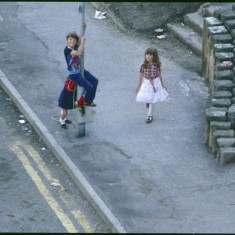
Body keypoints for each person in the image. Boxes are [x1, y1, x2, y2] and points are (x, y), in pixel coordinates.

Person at [58, 31, 99, 129]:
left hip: (80, 71)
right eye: (70, 40)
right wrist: (83, 42)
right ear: (66, 41)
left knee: (95, 81)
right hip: (74, 75)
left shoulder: (75, 46)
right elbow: (79, 52)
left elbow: (81, 37)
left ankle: (88, 100)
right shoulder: (67, 50)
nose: (72, 41)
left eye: (74, 40)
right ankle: (80, 103)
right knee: (89, 86)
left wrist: (84, 26)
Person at [136, 47, 168, 123]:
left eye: (150, 55)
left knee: (152, 99)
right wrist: (138, 86)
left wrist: (163, 85)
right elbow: (141, 76)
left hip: (155, 83)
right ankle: (148, 101)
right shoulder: (143, 65)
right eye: (147, 54)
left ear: (154, 56)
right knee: (147, 96)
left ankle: (149, 115)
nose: (148, 56)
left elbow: (160, 75)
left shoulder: (157, 65)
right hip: (147, 83)